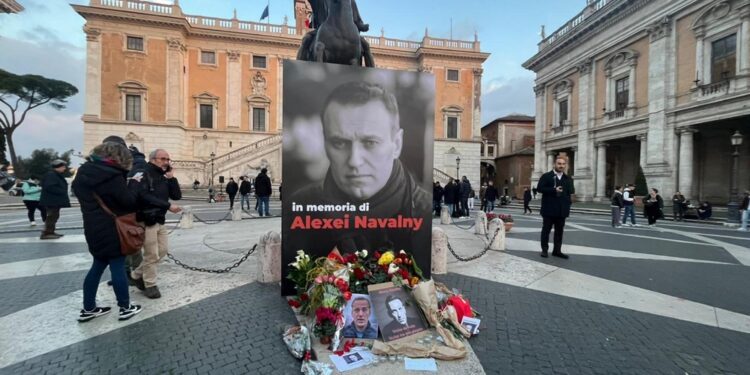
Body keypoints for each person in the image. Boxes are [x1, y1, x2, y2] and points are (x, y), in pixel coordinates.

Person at [286, 81, 431, 259]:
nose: (354, 161)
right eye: (339, 143)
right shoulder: (297, 209)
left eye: (370, 143)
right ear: (325, 144)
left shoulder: (426, 213)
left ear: (397, 144)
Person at [71, 141, 143, 322]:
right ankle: (125, 307)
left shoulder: (84, 172)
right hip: (112, 228)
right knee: (117, 266)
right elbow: (127, 202)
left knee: (96, 267)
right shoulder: (112, 175)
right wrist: (133, 183)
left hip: (92, 227)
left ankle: (88, 308)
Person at [130, 149, 182, 299]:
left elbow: (176, 195)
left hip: (159, 219)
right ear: (153, 159)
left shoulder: (162, 175)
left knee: (163, 250)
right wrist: (167, 206)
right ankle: (150, 284)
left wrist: (171, 178)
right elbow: (142, 195)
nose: (166, 161)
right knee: (151, 254)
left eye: (168, 159)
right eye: (163, 159)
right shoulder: (142, 173)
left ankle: (135, 275)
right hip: (146, 219)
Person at [536, 157, 574, 259]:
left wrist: (568, 206)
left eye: (563, 164)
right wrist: (553, 189)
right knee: (546, 230)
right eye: (559, 164)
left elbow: (570, 192)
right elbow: (540, 188)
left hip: (562, 210)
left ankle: (557, 251)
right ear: (554, 164)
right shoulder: (547, 176)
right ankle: (544, 250)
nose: (561, 166)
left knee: (559, 231)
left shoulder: (568, 178)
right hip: (549, 209)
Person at [39, 159, 71, 239]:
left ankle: (50, 231)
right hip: (52, 200)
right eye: (63, 167)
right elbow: (50, 187)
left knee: (54, 216)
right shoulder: (51, 175)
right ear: (58, 167)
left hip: (54, 200)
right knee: (51, 216)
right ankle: (47, 233)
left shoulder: (54, 174)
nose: (64, 168)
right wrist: (62, 191)